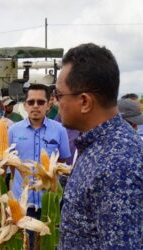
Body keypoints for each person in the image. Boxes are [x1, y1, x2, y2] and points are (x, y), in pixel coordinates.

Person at [55, 43, 143, 249]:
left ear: (85, 101)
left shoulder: (117, 164)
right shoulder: (97, 146)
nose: (57, 103)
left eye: (59, 95)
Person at [8, 83, 71, 248]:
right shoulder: (13, 131)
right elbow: (11, 165)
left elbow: (62, 162)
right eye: (31, 102)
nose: (36, 106)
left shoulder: (59, 130)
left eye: (40, 102)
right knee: (24, 245)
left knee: (48, 245)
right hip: (22, 204)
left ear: (49, 104)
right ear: (24, 105)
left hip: (49, 203)